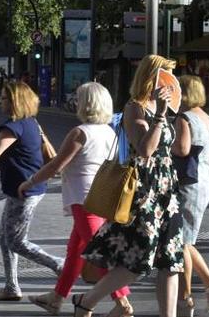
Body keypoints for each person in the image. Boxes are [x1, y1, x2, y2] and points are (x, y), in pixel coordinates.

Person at [72, 54, 185, 317]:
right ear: (152, 77)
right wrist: (159, 115)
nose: (171, 81)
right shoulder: (135, 108)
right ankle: (87, 300)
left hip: (167, 192)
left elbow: (175, 149)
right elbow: (145, 149)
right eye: (165, 74)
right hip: (144, 192)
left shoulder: (165, 110)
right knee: (137, 260)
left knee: (172, 261)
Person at [18, 82, 133, 317]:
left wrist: (30, 182)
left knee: (98, 253)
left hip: (84, 200)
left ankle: (122, 303)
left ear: (88, 103)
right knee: (75, 251)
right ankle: (57, 297)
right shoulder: (110, 132)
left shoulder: (80, 133)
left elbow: (57, 165)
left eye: (79, 98)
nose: (76, 102)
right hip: (101, 198)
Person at [0, 81, 64, 301]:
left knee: (16, 241)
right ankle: (11, 287)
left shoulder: (11, 127)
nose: (0, 101)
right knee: (4, 238)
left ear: (15, 101)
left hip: (24, 190)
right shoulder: (31, 122)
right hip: (23, 189)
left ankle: (58, 264)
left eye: (4, 98)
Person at [172, 75, 209, 315]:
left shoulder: (184, 118)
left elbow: (183, 149)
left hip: (188, 183)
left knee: (181, 241)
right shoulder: (207, 119)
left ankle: (186, 298)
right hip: (204, 180)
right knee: (186, 240)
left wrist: (166, 143)